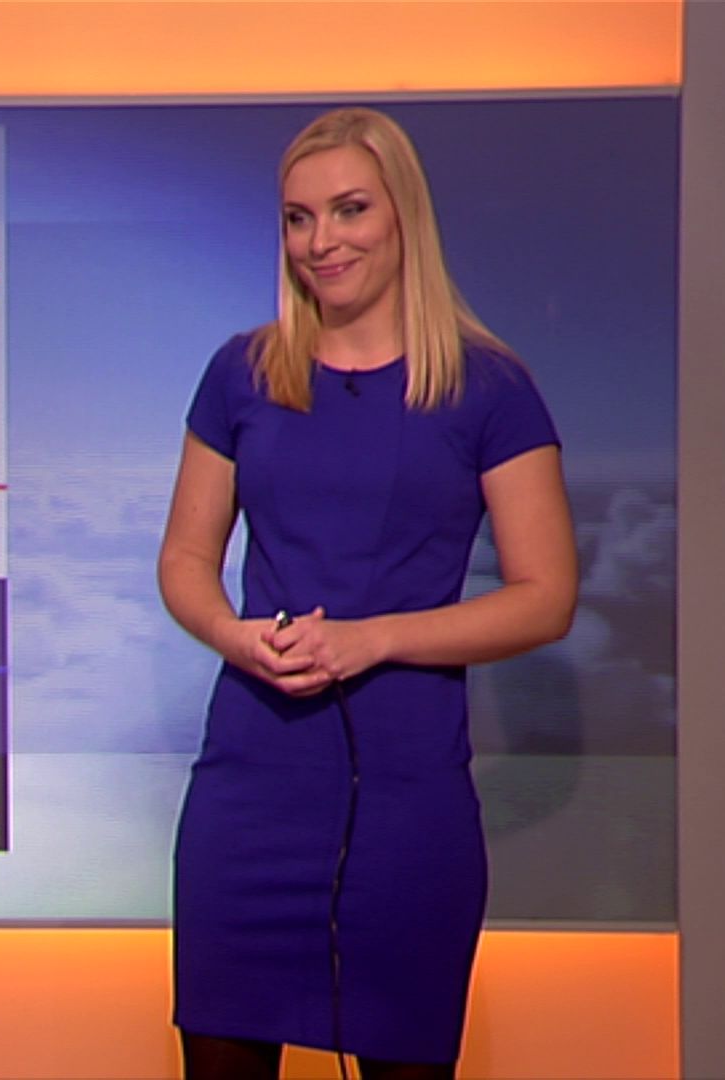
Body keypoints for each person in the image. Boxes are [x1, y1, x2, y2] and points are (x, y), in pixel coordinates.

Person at [158, 107, 578, 1080]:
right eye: (299, 218)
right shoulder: (241, 376)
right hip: (248, 793)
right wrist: (233, 634)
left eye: (349, 210)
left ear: (403, 216)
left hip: (405, 802)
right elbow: (183, 558)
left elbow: (545, 595)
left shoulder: (488, 388)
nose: (322, 241)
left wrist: (371, 639)